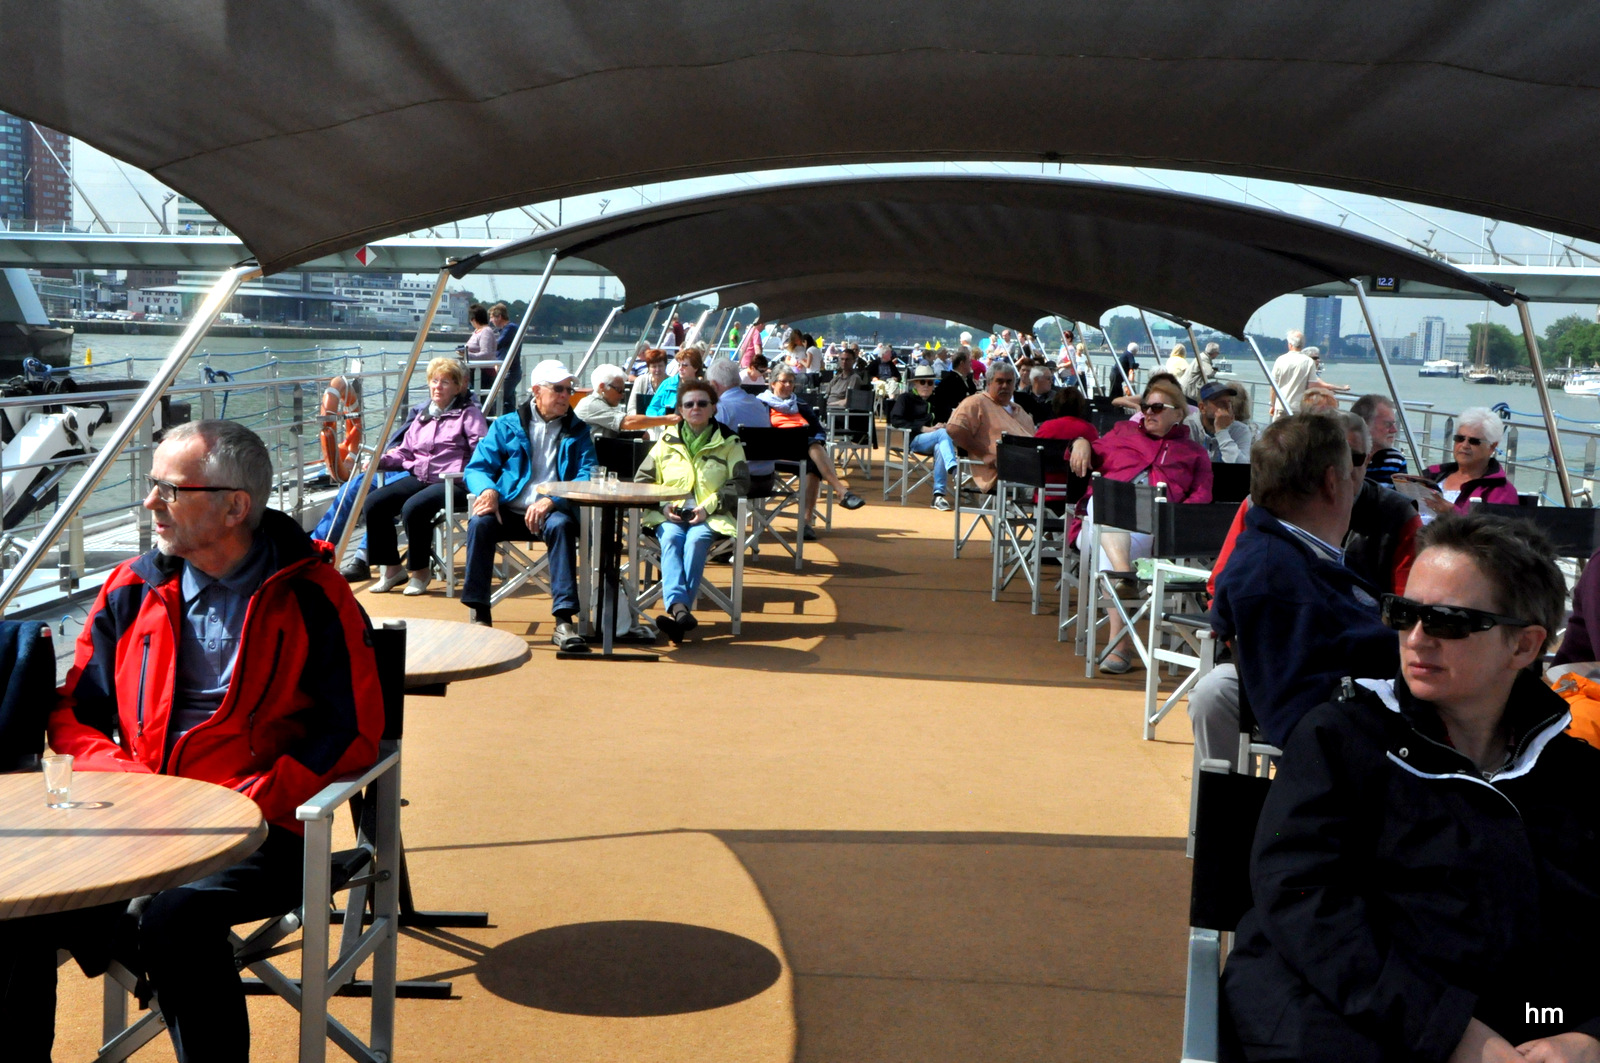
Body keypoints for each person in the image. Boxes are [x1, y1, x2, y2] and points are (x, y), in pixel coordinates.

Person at [3, 420, 384, 1062]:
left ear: (236, 506)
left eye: (169, 489)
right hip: (131, 821)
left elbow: (350, 734)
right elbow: (77, 714)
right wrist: (134, 787)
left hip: (262, 832)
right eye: (152, 486)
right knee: (17, 910)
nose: (149, 502)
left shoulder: (316, 596)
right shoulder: (132, 587)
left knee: (175, 918)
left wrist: (245, 804)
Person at [1221, 513, 1600, 1063]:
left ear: (1524, 647)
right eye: (1404, 613)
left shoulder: (1578, 777)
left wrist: (1587, 1034)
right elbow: (1303, 903)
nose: (1416, 637)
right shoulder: (1341, 741)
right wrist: (1449, 1031)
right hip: (1355, 1028)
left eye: (1448, 621)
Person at [1192, 413, 1420, 762]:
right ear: (1332, 482)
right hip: (1353, 741)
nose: (1356, 480)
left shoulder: (1278, 553)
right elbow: (1301, 698)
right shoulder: (1275, 574)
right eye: (1349, 469)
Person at [1068, 375, 1212, 674]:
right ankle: (1124, 585)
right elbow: (1088, 453)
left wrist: (1174, 522)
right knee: (1102, 502)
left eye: (1158, 408)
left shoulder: (1193, 452)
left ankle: (1121, 619)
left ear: (1179, 413)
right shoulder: (1122, 433)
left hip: (1154, 530)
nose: (1148, 413)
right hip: (1100, 524)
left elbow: (1202, 495)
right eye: (1146, 406)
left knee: (1108, 526)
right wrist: (1080, 442)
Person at [461, 359, 597, 645]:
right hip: (509, 509)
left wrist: (551, 500)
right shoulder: (507, 425)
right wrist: (488, 491)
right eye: (558, 389)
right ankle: (480, 615)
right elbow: (477, 468)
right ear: (537, 390)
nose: (565, 396)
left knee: (561, 526)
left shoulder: (578, 430)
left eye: (568, 389)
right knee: (480, 523)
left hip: (551, 511)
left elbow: (586, 476)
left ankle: (564, 622)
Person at [633, 380, 750, 644]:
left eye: (702, 403)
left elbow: (741, 482)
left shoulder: (730, 442)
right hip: (667, 514)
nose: (695, 408)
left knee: (696, 541)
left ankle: (677, 610)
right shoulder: (666, 440)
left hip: (712, 515)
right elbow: (643, 481)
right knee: (673, 539)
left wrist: (708, 507)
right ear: (681, 411)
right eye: (689, 404)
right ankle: (681, 611)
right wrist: (662, 505)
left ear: (713, 409)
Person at [363, 357, 489, 596]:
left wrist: (467, 475)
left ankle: (420, 572)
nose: (437, 387)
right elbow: (405, 451)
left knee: (414, 508)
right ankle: (392, 569)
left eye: (445, 382)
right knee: (374, 503)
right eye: (434, 381)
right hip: (421, 476)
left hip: (455, 481)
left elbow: (481, 453)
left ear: (458, 387)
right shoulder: (423, 415)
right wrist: (380, 461)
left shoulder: (469, 414)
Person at [757, 366, 865, 536]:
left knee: (813, 461)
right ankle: (840, 490)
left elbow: (818, 430)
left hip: (802, 448)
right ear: (772, 383)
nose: (787, 385)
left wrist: (818, 439)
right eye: (783, 381)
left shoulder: (800, 404)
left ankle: (806, 523)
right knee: (813, 445)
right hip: (777, 450)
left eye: (790, 382)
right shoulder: (761, 403)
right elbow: (759, 432)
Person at [1410, 406, 1520, 515]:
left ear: (1491, 447)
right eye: (1460, 439)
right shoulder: (1433, 476)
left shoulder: (1501, 491)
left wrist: (1452, 513)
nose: (1464, 445)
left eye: (1473, 441)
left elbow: (1493, 529)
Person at [945, 362, 1035, 493]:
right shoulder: (976, 402)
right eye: (1000, 381)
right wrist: (984, 454)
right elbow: (954, 429)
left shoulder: (1019, 409)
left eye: (1009, 382)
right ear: (989, 383)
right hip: (1001, 475)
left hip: (1030, 470)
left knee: (1061, 487)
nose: (1005, 386)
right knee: (1046, 492)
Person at [890, 365, 959, 511]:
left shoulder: (939, 399)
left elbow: (950, 420)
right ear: (915, 383)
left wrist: (944, 425)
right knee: (941, 435)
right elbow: (896, 420)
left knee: (940, 446)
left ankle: (938, 496)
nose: (926, 386)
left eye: (930, 382)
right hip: (915, 439)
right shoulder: (906, 398)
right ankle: (955, 470)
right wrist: (923, 428)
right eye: (922, 382)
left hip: (939, 440)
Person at [574, 363, 680, 439]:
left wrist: (638, 435)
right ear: (602, 387)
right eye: (619, 390)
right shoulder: (590, 405)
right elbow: (628, 422)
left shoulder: (606, 405)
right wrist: (667, 419)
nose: (622, 396)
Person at [1186, 381, 1252, 463]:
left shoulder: (1241, 430)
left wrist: (1222, 432)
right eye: (1220, 403)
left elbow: (1241, 467)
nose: (1227, 407)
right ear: (1202, 408)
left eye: (1229, 402)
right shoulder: (1188, 427)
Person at [1351, 393, 1408, 485]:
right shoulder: (1340, 457)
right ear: (1364, 424)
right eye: (1388, 424)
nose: (1394, 430)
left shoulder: (1395, 460)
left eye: (1394, 424)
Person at [646, 345, 706, 417]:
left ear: (695, 367)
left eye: (684, 365)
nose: (680, 369)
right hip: (664, 423)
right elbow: (652, 408)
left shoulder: (703, 388)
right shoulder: (667, 384)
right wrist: (658, 421)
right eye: (679, 365)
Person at [931, 348, 977, 423]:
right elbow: (945, 406)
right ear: (962, 364)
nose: (971, 365)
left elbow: (973, 392)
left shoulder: (968, 379)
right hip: (955, 420)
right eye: (969, 362)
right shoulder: (949, 382)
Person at [489, 302, 520, 404]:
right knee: (508, 402)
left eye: (492, 317)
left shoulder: (510, 328)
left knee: (497, 401)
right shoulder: (506, 329)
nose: (490, 320)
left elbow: (498, 344)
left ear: (499, 317)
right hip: (509, 371)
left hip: (510, 371)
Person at [627, 347, 671, 411]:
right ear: (648, 368)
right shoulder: (640, 381)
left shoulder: (672, 383)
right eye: (654, 366)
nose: (657, 370)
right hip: (643, 419)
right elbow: (631, 408)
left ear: (665, 365)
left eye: (660, 366)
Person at [462, 303, 497, 369]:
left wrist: (467, 355)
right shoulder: (477, 331)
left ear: (473, 320)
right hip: (475, 368)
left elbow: (486, 354)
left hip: (484, 371)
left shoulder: (486, 331)